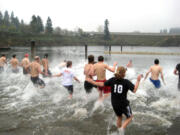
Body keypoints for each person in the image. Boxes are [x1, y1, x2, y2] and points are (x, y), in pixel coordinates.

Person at [86, 66, 142, 134]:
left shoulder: (112, 80)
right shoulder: (126, 82)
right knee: (130, 117)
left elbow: (102, 84)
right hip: (123, 104)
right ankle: (121, 129)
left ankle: (119, 131)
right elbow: (134, 90)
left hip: (114, 103)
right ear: (124, 74)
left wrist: (93, 82)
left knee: (119, 116)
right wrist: (138, 81)